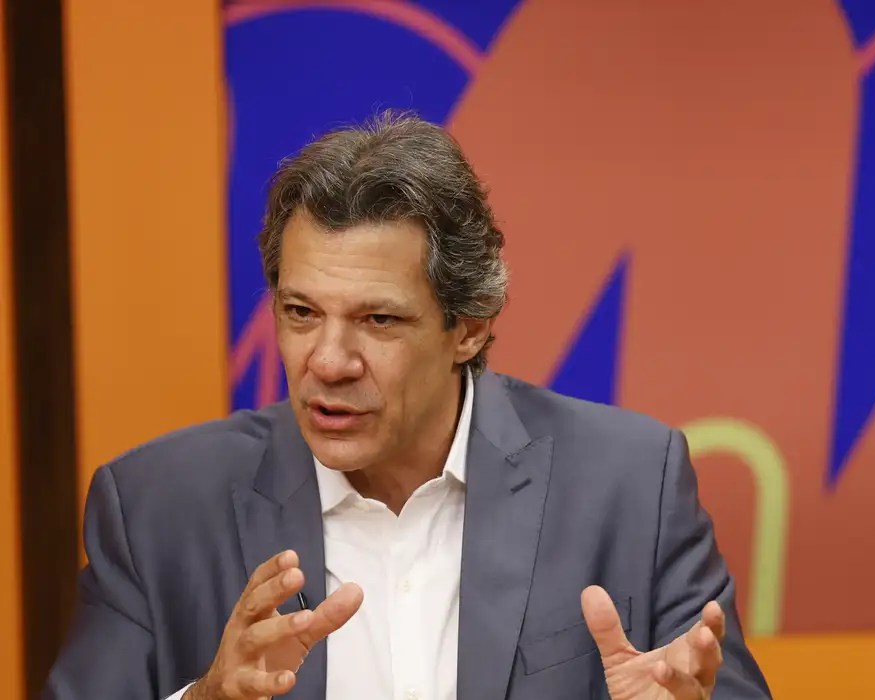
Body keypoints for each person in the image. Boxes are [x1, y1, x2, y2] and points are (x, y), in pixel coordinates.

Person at [44, 112, 771, 700]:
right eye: (301, 313)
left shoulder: (632, 484)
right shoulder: (155, 508)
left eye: (378, 320)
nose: (328, 361)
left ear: (469, 327)